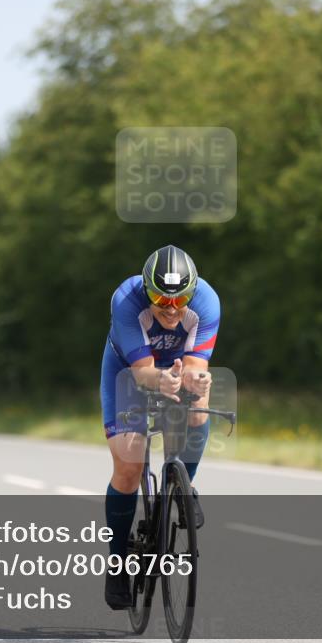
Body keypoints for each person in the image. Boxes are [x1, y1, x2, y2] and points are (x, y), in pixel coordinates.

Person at [100, 245, 219, 609]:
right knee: (129, 466)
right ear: (145, 290)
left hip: (177, 367)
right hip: (128, 372)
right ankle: (118, 563)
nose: (170, 309)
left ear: (193, 291)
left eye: (179, 299)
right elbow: (143, 373)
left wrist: (195, 383)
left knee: (198, 411)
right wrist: (162, 381)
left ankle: (185, 486)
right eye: (159, 298)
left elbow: (196, 364)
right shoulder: (125, 300)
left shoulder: (208, 302)